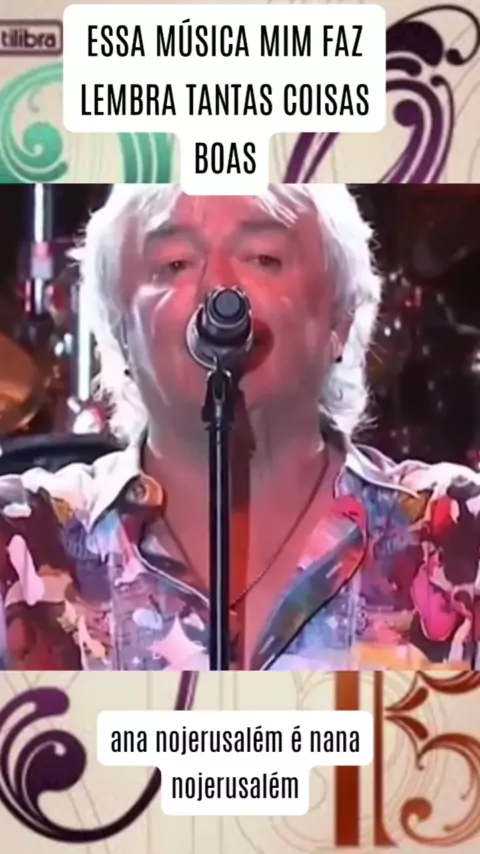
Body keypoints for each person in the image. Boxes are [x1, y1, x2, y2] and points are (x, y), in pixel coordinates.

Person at [0, 183, 479, 672]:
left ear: (340, 318)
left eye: (264, 258)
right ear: (121, 331)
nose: (220, 290)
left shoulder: (459, 535)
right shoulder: (18, 544)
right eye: (175, 264)